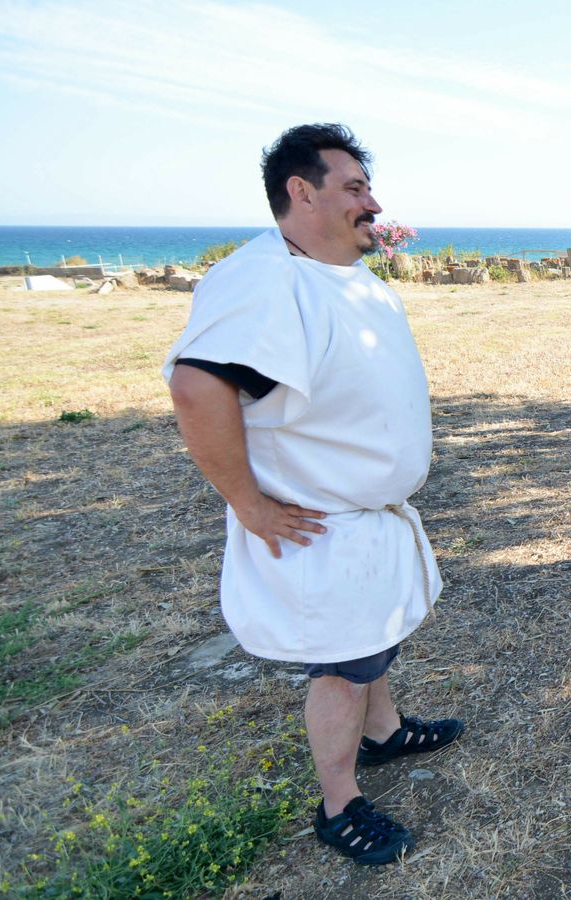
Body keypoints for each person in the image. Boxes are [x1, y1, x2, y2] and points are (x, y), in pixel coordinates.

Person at [164, 124, 462, 865]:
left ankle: (385, 733)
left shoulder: (335, 272)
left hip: (367, 522)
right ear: (302, 192)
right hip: (320, 527)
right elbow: (198, 387)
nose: (373, 202)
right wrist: (249, 504)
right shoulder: (267, 282)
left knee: (372, 642)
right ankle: (339, 803)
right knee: (341, 666)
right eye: (355, 187)